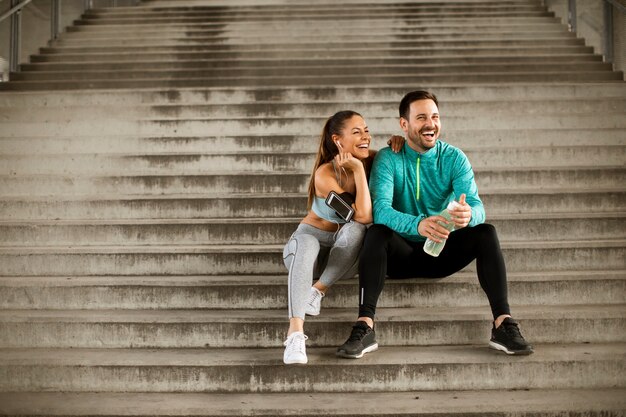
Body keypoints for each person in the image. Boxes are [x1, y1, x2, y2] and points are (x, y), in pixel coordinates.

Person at [336, 90, 533, 359]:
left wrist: (468, 216)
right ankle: (365, 326)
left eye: (435, 116)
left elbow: (478, 207)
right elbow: (380, 210)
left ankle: (503, 323)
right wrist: (418, 225)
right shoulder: (388, 158)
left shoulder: (454, 158)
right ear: (404, 125)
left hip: (441, 251)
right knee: (377, 232)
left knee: (486, 232)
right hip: (400, 255)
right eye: (421, 118)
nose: (430, 124)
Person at [282, 110, 402, 365]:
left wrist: (389, 148)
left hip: (343, 259)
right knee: (307, 242)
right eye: (356, 132)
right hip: (308, 250)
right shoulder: (324, 175)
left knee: (358, 231)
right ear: (338, 140)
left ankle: (317, 290)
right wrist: (358, 170)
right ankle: (295, 334)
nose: (365, 137)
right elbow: (360, 215)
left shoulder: (372, 160)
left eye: (366, 130)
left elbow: (363, 222)